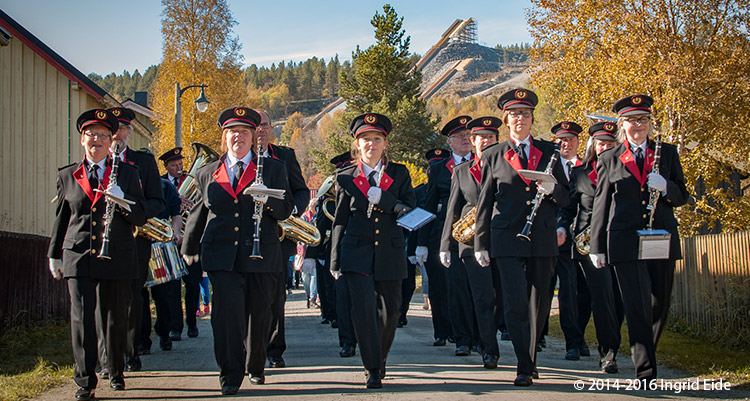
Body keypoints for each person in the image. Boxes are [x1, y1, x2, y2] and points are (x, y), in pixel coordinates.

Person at [181, 106, 294, 395]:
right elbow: (199, 212)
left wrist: (266, 199)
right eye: (232, 132)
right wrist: (189, 246)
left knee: (260, 316)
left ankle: (255, 364)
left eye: (244, 132)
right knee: (226, 317)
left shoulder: (273, 169)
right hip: (221, 255)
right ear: (225, 137)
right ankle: (230, 374)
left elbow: (284, 211)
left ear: (253, 136)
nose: (238, 137)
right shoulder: (208, 172)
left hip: (261, 254)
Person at [48, 109, 147, 400]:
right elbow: (62, 218)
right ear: (82, 139)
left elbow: (141, 216)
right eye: (92, 134)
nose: (98, 140)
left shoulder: (128, 174)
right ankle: (84, 380)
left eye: (104, 135)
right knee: (81, 319)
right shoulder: (68, 175)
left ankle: (115, 370)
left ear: (111, 140)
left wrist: (124, 200)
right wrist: (54, 254)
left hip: (117, 253)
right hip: (78, 254)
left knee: (114, 318)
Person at [474, 88, 569, 386]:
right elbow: (485, 202)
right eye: (515, 114)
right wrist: (480, 242)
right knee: (515, 303)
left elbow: (567, 198)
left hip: (541, 238)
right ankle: (523, 366)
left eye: (525, 114)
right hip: (506, 239)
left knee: (539, 305)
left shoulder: (550, 152)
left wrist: (553, 191)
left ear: (531, 118)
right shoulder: (493, 154)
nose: (520, 119)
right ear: (506, 119)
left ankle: (531, 358)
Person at [590, 95, 688, 381]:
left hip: (660, 237)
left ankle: (648, 351)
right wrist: (597, 246)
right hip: (624, 241)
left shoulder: (666, 153)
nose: (639, 125)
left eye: (643, 120)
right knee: (636, 304)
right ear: (622, 124)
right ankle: (645, 369)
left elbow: (682, 196)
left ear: (649, 123)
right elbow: (601, 203)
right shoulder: (609, 157)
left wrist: (666, 186)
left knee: (659, 303)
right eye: (632, 120)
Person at [330, 113, 416, 388]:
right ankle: (372, 368)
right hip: (356, 253)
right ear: (357, 144)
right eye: (366, 139)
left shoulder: (399, 173)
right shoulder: (345, 177)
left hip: (390, 252)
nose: (371, 144)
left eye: (377, 139)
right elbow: (339, 220)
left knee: (390, 312)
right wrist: (334, 259)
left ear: (385, 143)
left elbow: (410, 212)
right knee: (364, 311)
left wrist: (388, 201)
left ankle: (380, 357)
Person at [103, 107, 165, 374]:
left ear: (129, 132)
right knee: (102, 299)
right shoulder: (95, 160)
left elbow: (156, 201)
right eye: (113, 129)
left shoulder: (143, 162)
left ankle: (131, 351)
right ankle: (107, 357)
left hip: (134, 239)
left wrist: (135, 214)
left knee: (132, 296)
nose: (118, 134)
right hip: (101, 239)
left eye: (123, 129)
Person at [560, 121, 624, 373]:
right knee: (596, 297)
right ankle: (606, 354)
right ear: (593, 146)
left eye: (610, 143)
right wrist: (561, 227)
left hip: (617, 241)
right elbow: (568, 207)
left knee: (616, 300)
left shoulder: (625, 170)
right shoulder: (580, 174)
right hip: (586, 245)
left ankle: (611, 346)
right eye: (601, 143)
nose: (605, 147)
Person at [440, 116, 501, 369]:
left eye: (491, 138)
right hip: (470, 242)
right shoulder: (461, 171)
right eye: (480, 138)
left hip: (502, 240)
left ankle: (488, 336)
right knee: (482, 297)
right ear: (473, 142)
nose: (485, 142)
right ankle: (489, 349)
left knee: (503, 298)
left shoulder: (508, 165)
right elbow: (452, 209)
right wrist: (445, 245)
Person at [254, 109, 310, 370]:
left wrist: (293, 210)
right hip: (247, 237)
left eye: (265, 125)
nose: (261, 131)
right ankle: (250, 347)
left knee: (276, 297)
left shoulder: (285, 155)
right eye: (255, 126)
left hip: (277, 237)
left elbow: (300, 190)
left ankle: (275, 350)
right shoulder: (239, 158)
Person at [417, 116, 474, 349]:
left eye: (469, 135)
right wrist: (421, 243)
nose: (465, 139)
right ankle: (459, 337)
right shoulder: (440, 169)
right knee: (452, 287)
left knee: (476, 289)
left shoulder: (483, 161)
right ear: (450, 142)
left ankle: (479, 337)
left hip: (477, 233)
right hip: (447, 235)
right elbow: (428, 207)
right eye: (460, 136)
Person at [548, 121, 589, 361]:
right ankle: (543, 335)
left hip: (581, 238)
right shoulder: (550, 168)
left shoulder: (586, 168)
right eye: (563, 140)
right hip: (553, 236)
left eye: (572, 140)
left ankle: (576, 339)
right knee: (547, 288)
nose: (567, 144)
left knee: (577, 291)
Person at [159, 147, 202, 339]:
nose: (179, 168)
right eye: (174, 165)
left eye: (180, 164)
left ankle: (192, 322)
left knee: (193, 283)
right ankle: (176, 327)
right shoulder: (160, 183)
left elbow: (202, 204)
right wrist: (176, 203)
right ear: (166, 166)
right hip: (170, 241)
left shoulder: (193, 181)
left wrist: (191, 205)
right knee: (172, 287)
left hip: (191, 240)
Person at [144, 177, 184, 353]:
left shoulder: (166, 186)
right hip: (138, 245)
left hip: (160, 244)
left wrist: (176, 232)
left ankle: (164, 333)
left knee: (163, 296)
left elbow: (176, 213)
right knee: (139, 297)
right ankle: (142, 340)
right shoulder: (130, 181)